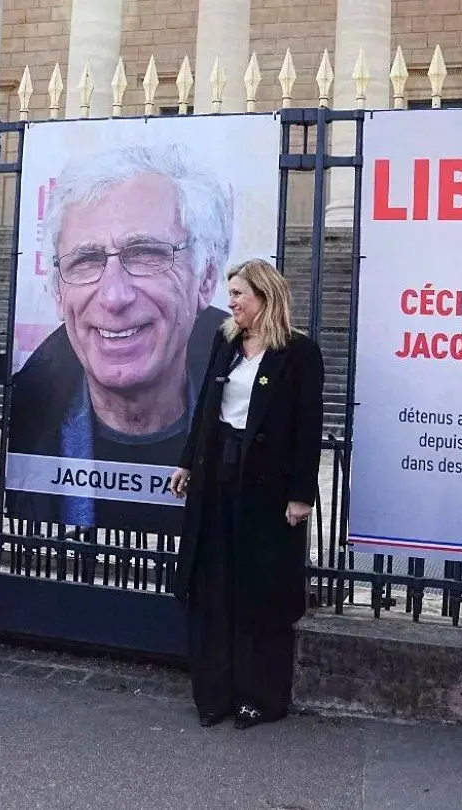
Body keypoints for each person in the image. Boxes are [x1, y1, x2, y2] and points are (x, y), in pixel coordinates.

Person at [7, 143, 232, 532]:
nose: (114, 297)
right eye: (86, 260)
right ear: (58, 292)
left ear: (207, 277)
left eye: (147, 253)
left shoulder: (252, 399)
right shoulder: (29, 417)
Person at [167, 258, 325, 730]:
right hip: (218, 475)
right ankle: (214, 694)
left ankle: (260, 696)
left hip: (266, 489)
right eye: (231, 294)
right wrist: (187, 460)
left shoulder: (299, 353)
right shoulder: (226, 342)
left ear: (265, 297)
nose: (231, 302)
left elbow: (308, 430)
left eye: (239, 294)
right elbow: (206, 409)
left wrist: (301, 495)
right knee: (214, 583)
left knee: (257, 590)